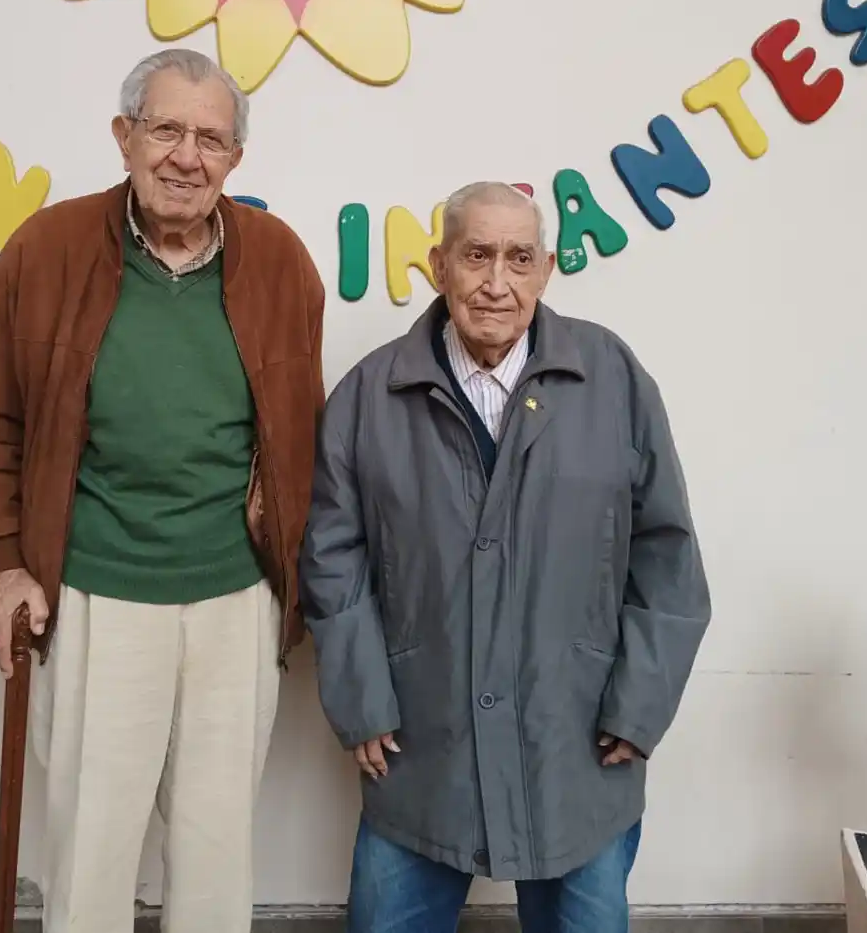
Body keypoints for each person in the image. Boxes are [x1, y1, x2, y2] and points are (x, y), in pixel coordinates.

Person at [0, 48, 326, 933]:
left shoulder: (279, 259)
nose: (186, 156)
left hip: (236, 601)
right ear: (124, 136)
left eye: (210, 138)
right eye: (166, 129)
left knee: (215, 851)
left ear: (235, 158)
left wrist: (303, 581)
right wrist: (1, 560)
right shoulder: (45, 249)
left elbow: (302, 433)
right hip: (94, 595)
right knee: (91, 851)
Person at [301, 181, 711, 932]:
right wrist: (361, 699)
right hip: (419, 747)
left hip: (579, 745)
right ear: (438, 265)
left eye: (519, 257)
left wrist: (641, 702)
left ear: (547, 269)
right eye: (476, 255)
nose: (497, 282)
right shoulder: (368, 395)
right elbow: (333, 557)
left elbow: (668, 553)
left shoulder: (613, 378)